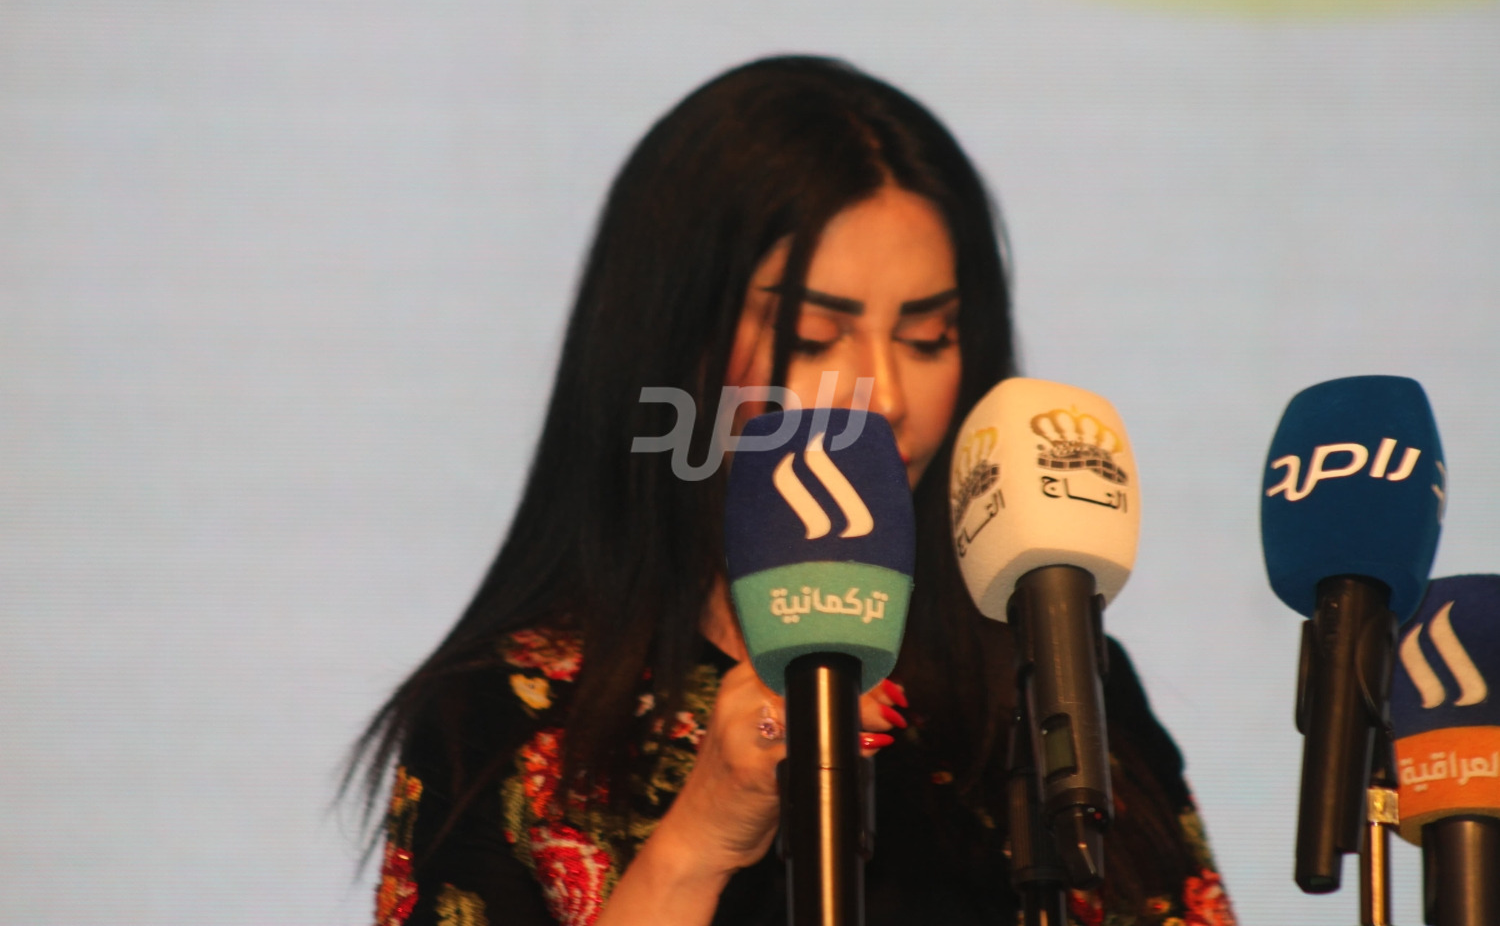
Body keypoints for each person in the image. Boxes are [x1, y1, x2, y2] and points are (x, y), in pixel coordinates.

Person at [349, 56, 1236, 926]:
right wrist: (696, 844)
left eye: (928, 338)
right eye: (814, 337)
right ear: (675, 341)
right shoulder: (506, 713)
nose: (885, 398)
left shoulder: (1052, 678)